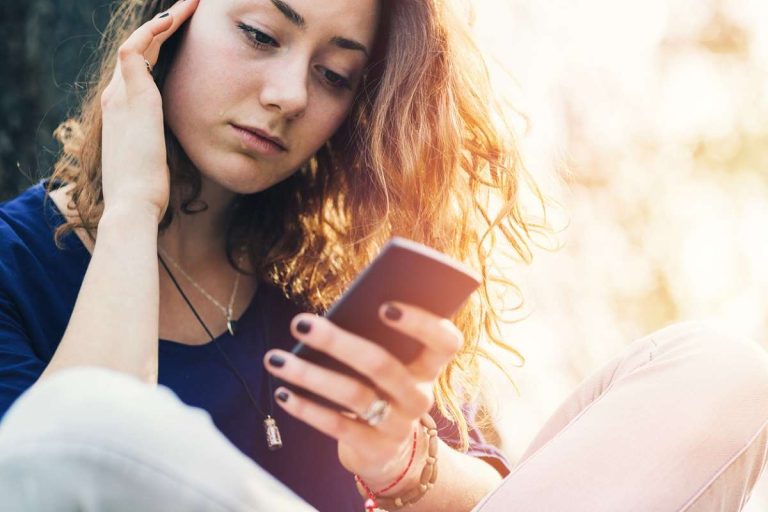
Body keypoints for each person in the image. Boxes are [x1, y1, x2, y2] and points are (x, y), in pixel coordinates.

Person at [1, 1, 768, 511]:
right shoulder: (15, 261)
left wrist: (400, 463)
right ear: (167, 22)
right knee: (84, 416)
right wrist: (135, 206)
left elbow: (521, 496)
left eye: (335, 74)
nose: (289, 93)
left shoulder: (337, 274)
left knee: (718, 366)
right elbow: (61, 463)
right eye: (262, 35)